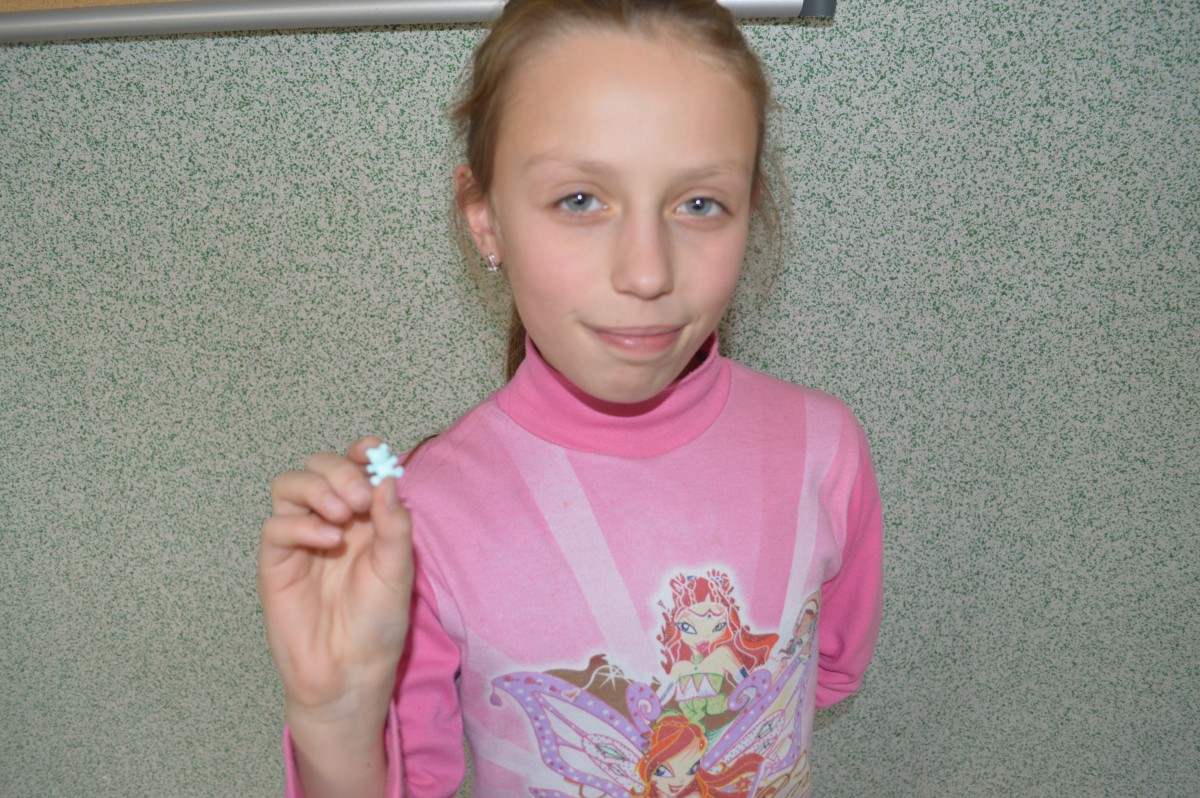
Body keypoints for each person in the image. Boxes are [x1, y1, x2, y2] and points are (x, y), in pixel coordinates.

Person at [258, 0, 884, 796]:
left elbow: (826, 673)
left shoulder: (824, 450)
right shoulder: (419, 523)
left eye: (700, 203)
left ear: (749, 212)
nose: (647, 272)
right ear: (484, 218)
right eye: (581, 200)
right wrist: (339, 720)